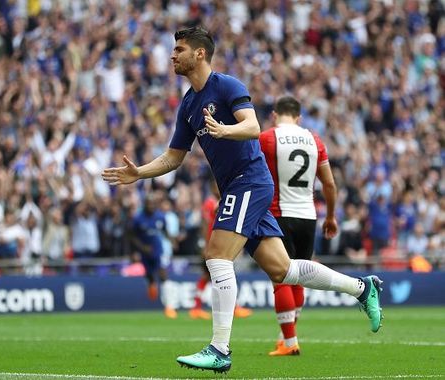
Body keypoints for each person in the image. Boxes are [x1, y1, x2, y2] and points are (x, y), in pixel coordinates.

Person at [101, 27, 383, 374]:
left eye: (179, 49)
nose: (172, 56)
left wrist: (224, 130)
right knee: (283, 269)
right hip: (240, 185)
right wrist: (139, 173)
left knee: (216, 255)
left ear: (200, 54)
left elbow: (251, 126)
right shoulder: (188, 104)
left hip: (249, 180)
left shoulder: (228, 86)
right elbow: (174, 157)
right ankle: (360, 287)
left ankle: (220, 348)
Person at [259, 95, 338, 356]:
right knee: (299, 279)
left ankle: (290, 343)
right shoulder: (315, 140)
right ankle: (286, 338)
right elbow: (329, 184)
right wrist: (331, 216)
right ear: (299, 117)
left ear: (274, 114)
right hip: (308, 216)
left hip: (279, 214)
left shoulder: (267, 138)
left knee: (281, 278)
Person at [189, 177, 252, 320]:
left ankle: (197, 307)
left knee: (212, 277)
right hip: (212, 246)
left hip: (220, 245)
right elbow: (205, 225)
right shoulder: (210, 203)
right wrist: (205, 245)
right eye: (216, 186)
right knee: (220, 275)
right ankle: (230, 307)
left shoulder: (223, 201)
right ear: (212, 188)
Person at [130, 193, 178, 319]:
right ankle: (151, 284)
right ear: (144, 205)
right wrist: (141, 248)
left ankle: (170, 307)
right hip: (144, 252)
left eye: (153, 204)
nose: (151, 206)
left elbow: (165, 231)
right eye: (148, 203)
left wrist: (172, 241)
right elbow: (132, 236)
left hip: (158, 250)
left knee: (163, 274)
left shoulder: (160, 217)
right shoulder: (138, 219)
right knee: (150, 276)